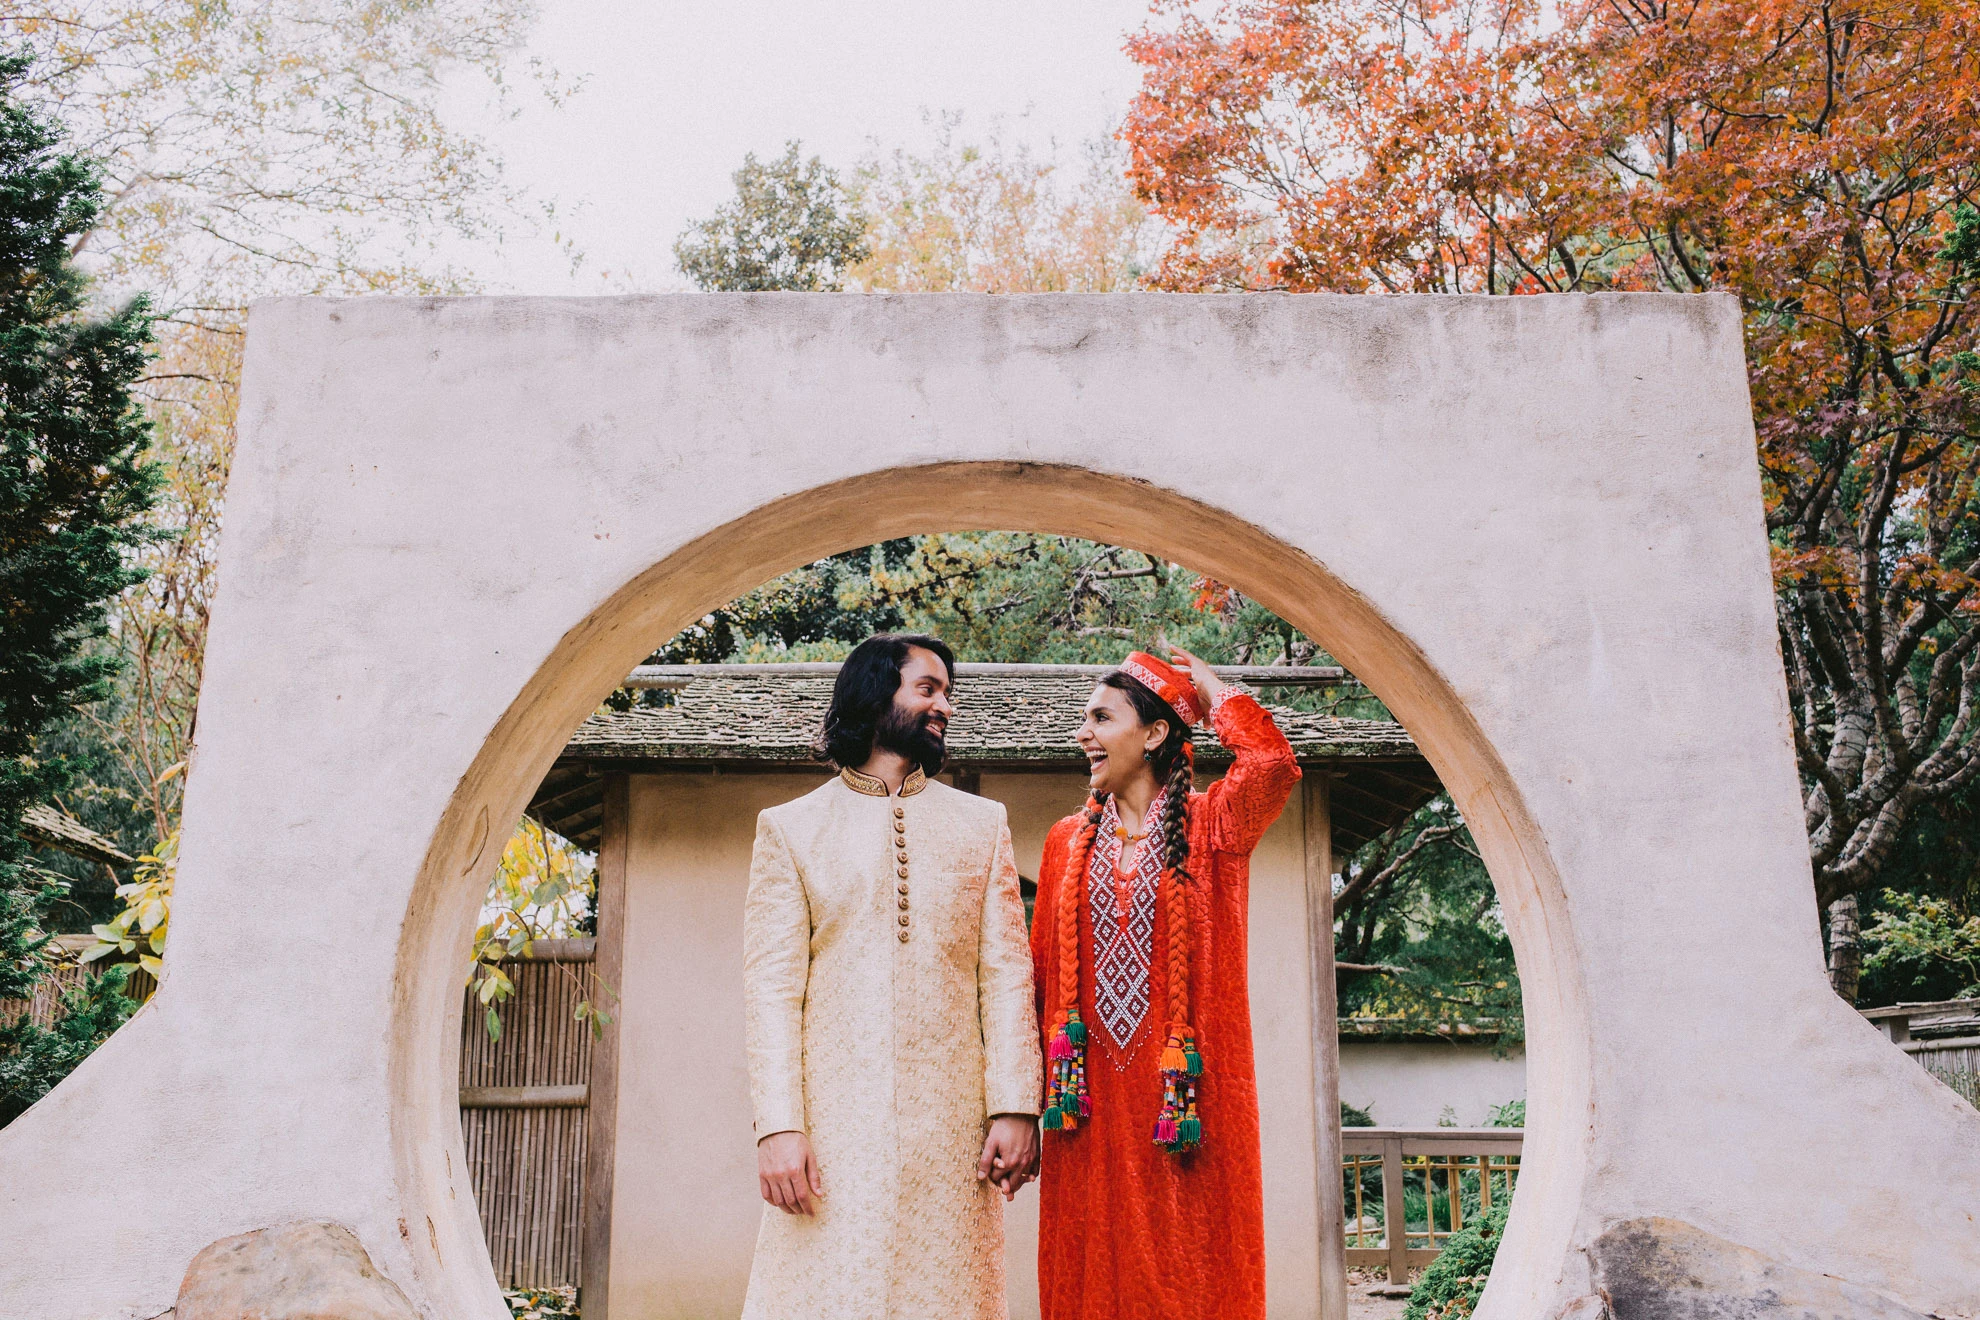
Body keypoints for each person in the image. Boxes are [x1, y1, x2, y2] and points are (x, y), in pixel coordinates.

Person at [741, 633, 1043, 1320]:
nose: (945, 707)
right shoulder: (792, 829)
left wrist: (1015, 1105)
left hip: (955, 1128)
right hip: (833, 1129)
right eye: (928, 689)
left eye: (947, 693)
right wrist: (779, 1128)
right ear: (877, 695)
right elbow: (771, 991)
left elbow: (1003, 974)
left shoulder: (981, 825)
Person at [1030, 645, 1301, 1320]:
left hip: (1184, 1108)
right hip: (1085, 1108)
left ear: (1154, 734)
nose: (1082, 734)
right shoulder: (1066, 841)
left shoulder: (1213, 826)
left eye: (1100, 717)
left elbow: (1271, 767)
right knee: (1090, 1272)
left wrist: (1213, 696)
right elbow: (1038, 983)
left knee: (1192, 1266)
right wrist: (1015, 1106)